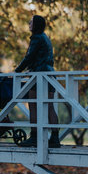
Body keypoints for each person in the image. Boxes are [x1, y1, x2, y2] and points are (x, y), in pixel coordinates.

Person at [15, 15, 60, 148]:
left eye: (31, 22)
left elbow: (29, 57)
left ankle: (34, 137)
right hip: (49, 74)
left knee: (33, 105)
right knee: (50, 106)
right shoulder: (45, 37)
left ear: (36, 25)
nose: (29, 23)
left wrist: (17, 71)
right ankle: (55, 138)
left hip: (39, 75)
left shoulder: (36, 38)